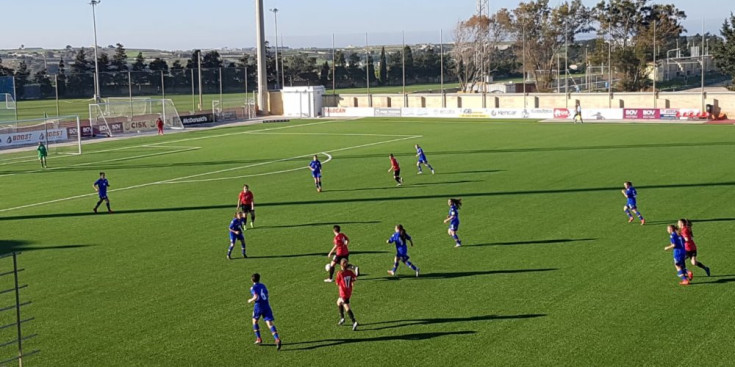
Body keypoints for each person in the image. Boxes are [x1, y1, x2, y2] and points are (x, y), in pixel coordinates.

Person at [247, 273, 282, 350]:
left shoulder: (253, 288)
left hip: (258, 306)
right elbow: (267, 294)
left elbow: (256, 296)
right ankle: (277, 339)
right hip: (266, 305)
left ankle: (258, 339)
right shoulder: (263, 285)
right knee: (269, 323)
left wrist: (250, 300)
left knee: (254, 321)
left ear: (252, 280)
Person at [335, 258, 358, 331]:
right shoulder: (350, 272)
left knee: (346, 307)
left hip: (343, 293)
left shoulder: (339, 273)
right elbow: (354, 278)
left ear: (341, 265)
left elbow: (337, 283)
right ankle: (342, 318)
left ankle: (354, 321)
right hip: (349, 291)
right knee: (338, 302)